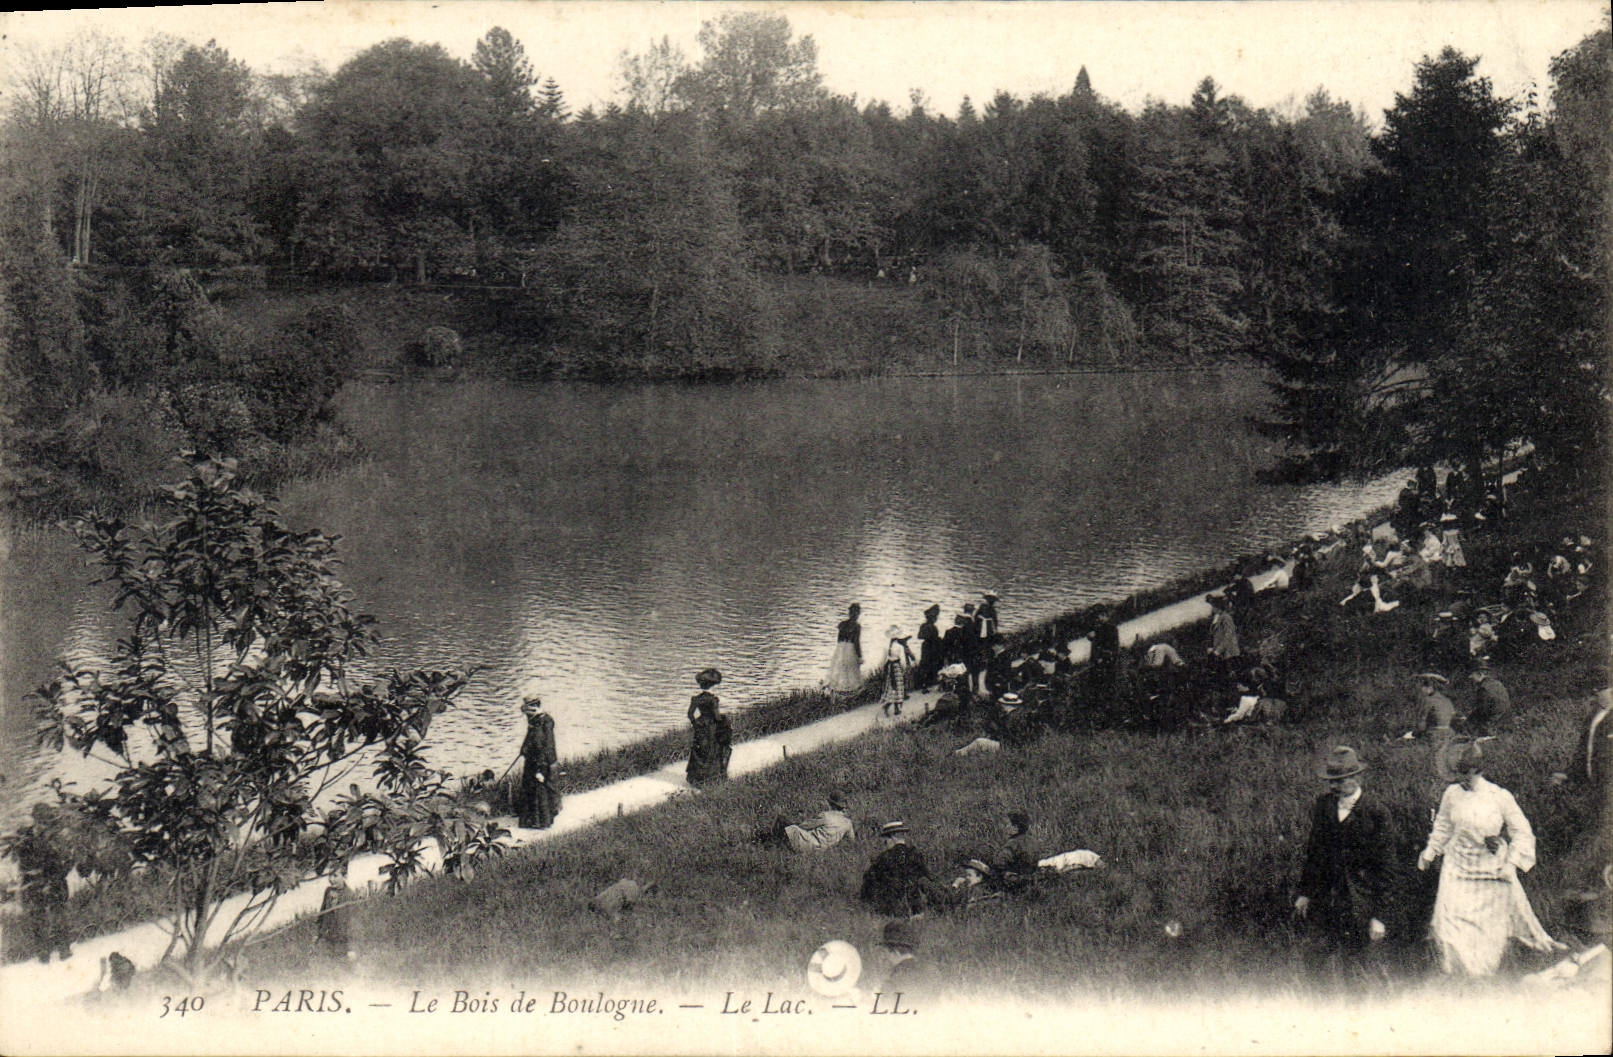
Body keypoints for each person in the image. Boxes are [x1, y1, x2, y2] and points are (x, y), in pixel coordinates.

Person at [1418, 741, 1561, 976]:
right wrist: (1430, 852)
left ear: (1476, 769)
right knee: (1449, 921)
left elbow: (1522, 832)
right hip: (1456, 866)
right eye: (1457, 774)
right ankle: (1453, 971)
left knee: (1487, 929)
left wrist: (1512, 862)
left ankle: (1483, 972)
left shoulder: (1499, 796)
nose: (1460, 779)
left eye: (1465, 773)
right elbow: (1443, 826)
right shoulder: (1451, 794)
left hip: (1490, 868)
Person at [1293, 746, 1395, 980]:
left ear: (1356, 778)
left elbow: (1387, 869)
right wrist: (1305, 893)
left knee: (1356, 968)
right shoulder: (1324, 805)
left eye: (1339, 781)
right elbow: (1314, 853)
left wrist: (1380, 916)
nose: (1333, 786)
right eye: (1331, 781)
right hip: (1326, 898)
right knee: (1316, 962)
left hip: (1359, 901)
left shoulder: (1377, 813)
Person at [13, 803, 73, 964]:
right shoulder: (26, 836)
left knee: (57, 915)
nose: (42, 823)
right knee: (39, 917)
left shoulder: (56, 836)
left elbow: (67, 860)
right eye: (40, 819)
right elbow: (21, 860)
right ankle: (45, 954)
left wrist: (56, 875)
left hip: (53, 880)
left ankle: (62, 950)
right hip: (35, 882)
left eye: (45, 819)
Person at [859, 822, 942, 917]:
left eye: (886, 841)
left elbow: (868, 880)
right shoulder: (915, 854)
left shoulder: (884, 857)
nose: (885, 844)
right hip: (915, 907)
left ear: (893, 837)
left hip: (890, 908)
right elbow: (928, 876)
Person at [517, 696, 560, 829]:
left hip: (542, 762)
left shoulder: (544, 723)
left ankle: (541, 822)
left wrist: (541, 770)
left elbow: (545, 747)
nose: (526, 717)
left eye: (528, 713)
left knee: (541, 792)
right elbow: (529, 738)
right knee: (530, 789)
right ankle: (531, 820)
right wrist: (524, 749)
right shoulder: (535, 721)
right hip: (532, 760)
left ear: (534, 709)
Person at [768, 791, 857, 853]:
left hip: (809, 844)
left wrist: (795, 823)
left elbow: (804, 826)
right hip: (823, 850)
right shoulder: (848, 823)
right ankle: (775, 845)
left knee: (782, 821)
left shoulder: (826, 816)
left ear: (831, 804)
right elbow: (851, 841)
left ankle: (770, 843)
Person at [1410, 674, 1457, 788]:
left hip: (1435, 735)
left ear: (1430, 688)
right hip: (1449, 733)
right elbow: (1453, 717)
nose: (1421, 690)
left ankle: (1433, 783)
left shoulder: (1427, 700)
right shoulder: (1447, 700)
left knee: (1433, 761)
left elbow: (1421, 723)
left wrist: (1414, 733)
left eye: (1423, 686)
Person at [686, 668, 731, 786]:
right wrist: (722, 722)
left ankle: (696, 778)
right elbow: (716, 716)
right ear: (712, 686)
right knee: (713, 750)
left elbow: (690, 714)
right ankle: (711, 779)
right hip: (711, 726)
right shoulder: (713, 700)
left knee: (699, 750)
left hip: (701, 725)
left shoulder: (696, 699)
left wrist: (696, 724)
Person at [989, 811, 1037, 892]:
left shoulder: (1013, 843)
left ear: (1015, 828)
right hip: (1031, 878)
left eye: (1006, 825)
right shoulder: (1032, 841)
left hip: (1015, 881)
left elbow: (1000, 862)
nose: (1004, 828)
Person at [316, 866, 355, 961]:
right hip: (327, 937)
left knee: (341, 964)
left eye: (335, 876)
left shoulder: (349, 894)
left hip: (341, 940)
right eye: (329, 875)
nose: (331, 879)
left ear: (344, 876)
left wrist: (350, 948)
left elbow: (351, 923)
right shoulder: (328, 891)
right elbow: (322, 913)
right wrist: (317, 933)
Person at [826, 604, 864, 695]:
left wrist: (840, 648)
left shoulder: (842, 624)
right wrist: (859, 656)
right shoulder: (857, 626)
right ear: (857, 614)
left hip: (840, 647)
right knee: (851, 669)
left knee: (839, 667)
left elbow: (838, 639)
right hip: (850, 647)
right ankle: (848, 690)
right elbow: (856, 642)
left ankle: (837, 688)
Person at [1466, 664, 1512, 735]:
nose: (1470, 677)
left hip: (1491, 726)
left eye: (1472, 675)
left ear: (1479, 674)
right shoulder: (1498, 684)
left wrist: (1468, 720)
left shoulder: (1483, 688)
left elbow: (1482, 712)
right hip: (1505, 722)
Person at [881, 626, 916, 717]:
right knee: (899, 687)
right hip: (897, 667)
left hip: (890, 667)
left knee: (892, 687)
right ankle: (896, 708)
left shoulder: (887, 647)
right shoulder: (900, 647)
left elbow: (883, 660)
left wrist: (883, 668)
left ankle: (888, 705)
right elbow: (903, 660)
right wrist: (905, 670)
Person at [913, 605, 944, 691]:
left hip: (927, 646)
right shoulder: (929, 626)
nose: (936, 619)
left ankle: (924, 682)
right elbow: (921, 636)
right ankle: (927, 682)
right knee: (929, 663)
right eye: (935, 617)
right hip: (931, 647)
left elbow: (919, 636)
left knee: (926, 663)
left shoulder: (925, 626)